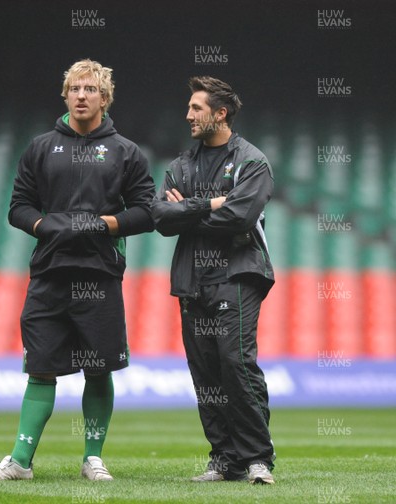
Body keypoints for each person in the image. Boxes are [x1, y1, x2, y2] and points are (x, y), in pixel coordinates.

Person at [0, 59, 155, 482]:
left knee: (98, 367)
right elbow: (17, 207)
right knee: (40, 367)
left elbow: (148, 212)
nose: (81, 95)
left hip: (99, 274)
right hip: (49, 273)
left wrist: (104, 224)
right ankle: (20, 461)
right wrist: (44, 225)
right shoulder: (41, 147)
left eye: (90, 89)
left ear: (104, 98)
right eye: (74, 88)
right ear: (65, 95)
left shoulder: (126, 151)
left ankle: (92, 457)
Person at [151, 76, 276, 484]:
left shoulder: (252, 161)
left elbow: (238, 217)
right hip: (192, 279)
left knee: (234, 362)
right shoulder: (181, 165)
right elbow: (161, 219)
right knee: (205, 372)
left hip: (238, 273)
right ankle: (225, 460)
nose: (188, 115)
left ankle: (257, 458)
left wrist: (188, 208)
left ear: (220, 114)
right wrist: (209, 203)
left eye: (196, 108)